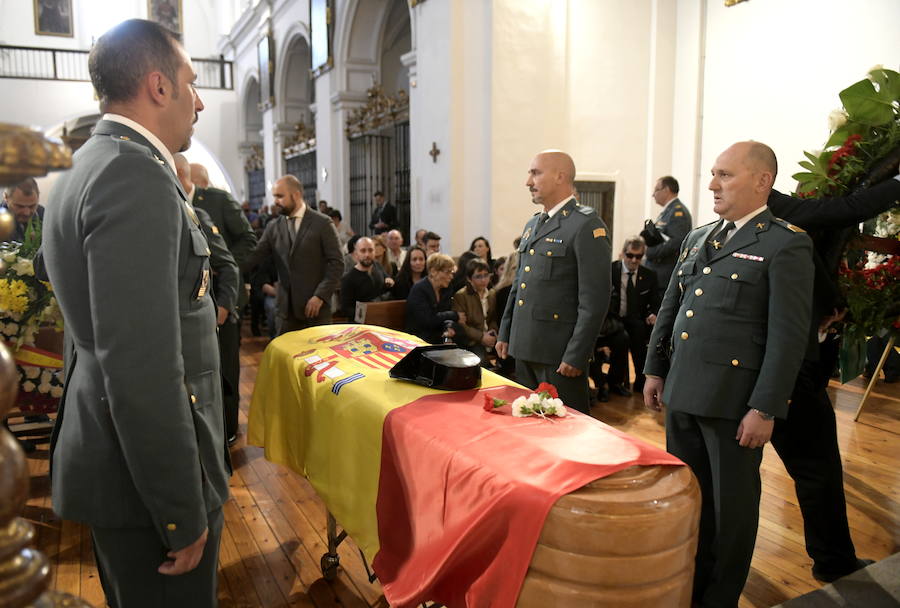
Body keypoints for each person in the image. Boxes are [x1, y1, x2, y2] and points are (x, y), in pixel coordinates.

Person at [41, 19, 229, 608]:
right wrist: (179, 511)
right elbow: (141, 367)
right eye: (191, 84)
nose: (199, 102)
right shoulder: (133, 177)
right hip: (147, 480)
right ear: (158, 86)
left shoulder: (87, 165)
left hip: (120, 461)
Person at [644, 141, 815, 607]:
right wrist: (655, 369)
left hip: (733, 403)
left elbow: (787, 337)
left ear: (762, 182)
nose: (713, 184)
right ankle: (690, 587)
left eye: (725, 175)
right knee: (691, 503)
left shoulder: (785, 243)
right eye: (713, 173)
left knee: (733, 511)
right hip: (682, 393)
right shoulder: (699, 237)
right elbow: (672, 308)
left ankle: (720, 598)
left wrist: (765, 406)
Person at [757, 163, 900, 583]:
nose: (714, 184)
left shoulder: (733, 229)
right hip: (787, 372)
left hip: (772, 366)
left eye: (724, 175)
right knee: (817, 468)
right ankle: (833, 561)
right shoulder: (780, 211)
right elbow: (846, 209)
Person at [497, 150, 611, 415]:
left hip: (558, 354)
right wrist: (506, 332)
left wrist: (577, 354)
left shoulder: (585, 225)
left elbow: (594, 300)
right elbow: (519, 284)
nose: (528, 181)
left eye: (535, 173)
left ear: (560, 176)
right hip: (525, 345)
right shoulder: (532, 224)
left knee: (564, 430)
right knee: (528, 426)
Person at [187, 161, 256, 445]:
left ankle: (228, 430)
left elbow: (248, 240)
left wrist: (222, 264)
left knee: (226, 369)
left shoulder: (215, 200)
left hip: (224, 296)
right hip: (196, 302)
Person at [243, 175, 343, 333]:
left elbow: (337, 263)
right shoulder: (273, 227)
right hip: (285, 313)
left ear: (296, 195)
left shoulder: (322, 223)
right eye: (275, 196)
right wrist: (225, 266)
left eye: (280, 196)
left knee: (317, 357)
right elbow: (254, 257)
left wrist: (320, 296)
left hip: (315, 310)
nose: (275, 201)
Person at [605, 236, 659, 395]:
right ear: (622, 254)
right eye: (630, 256)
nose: (634, 260)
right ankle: (614, 383)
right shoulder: (610, 270)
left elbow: (656, 301)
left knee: (640, 337)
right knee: (621, 339)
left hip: (636, 318)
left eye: (638, 256)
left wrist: (653, 313)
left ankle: (641, 383)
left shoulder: (649, 275)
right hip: (613, 318)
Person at [643, 175, 692, 289]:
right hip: (657, 269)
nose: (653, 194)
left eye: (656, 190)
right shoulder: (668, 211)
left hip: (665, 273)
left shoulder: (678, 213)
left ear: (666, 190)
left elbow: (676, 242)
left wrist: (649, 252)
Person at [404, 253, 465, 344]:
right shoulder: (419, 290)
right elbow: (427, 320)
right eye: (448, 272)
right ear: (433, 271)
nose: (451, 277)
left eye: (452, 273)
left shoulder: (446, 289)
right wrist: (454, 315)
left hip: (436, 336)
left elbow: (442, 317)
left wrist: (448, 327)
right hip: (418, 339)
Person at [452, 258, 499, 362]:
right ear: (469, 279)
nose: (483, 280)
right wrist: (482, 337)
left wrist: (493, 331)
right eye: (478, 276)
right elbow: (462, 325)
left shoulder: (491, 294)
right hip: (472, 341)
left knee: (506, 353)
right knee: (480, 360)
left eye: (486, 275)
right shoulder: (461, 295)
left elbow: (493, 318)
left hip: (490, 336)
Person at [340, 237, 394, 319]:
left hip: (382, 320)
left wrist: (389, 281)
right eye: (363, 251)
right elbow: (345, 309)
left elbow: (386, 280)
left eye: (370, 250)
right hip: (361, 326)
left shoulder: (377, 266)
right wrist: (367, 314)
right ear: (356, 253)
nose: (367, 255)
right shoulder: (348, 278)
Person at [1, 178, 44, 243]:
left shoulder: (43, 214)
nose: (26, 213)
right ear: (6, 197)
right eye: (19, 206)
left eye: (32, 206)